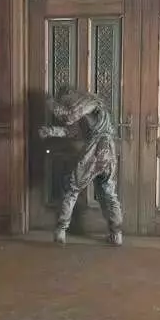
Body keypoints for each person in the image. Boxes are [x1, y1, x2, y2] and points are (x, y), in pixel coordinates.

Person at [37, 87, 123, 245]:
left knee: (74, 188)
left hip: (97, 148)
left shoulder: (90, 101)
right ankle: (116, 233)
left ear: (71, 95)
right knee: (107, 190)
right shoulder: (84, 111)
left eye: (65, 102)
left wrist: (51, 105)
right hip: (108, 149)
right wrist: (50, 131)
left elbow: (69, 118)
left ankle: (61, 230)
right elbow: (71, 131)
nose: (66, 105)